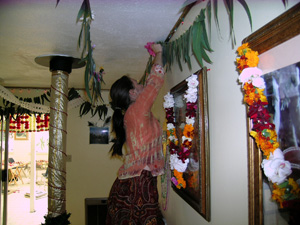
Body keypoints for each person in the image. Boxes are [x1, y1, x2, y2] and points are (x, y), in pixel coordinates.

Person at [106, 44, 165, 225]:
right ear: (132, 93)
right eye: (137, 84)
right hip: (140, 181)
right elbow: (154, 82)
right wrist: (159, 52)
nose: (142, 85)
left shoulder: (130, 113)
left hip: (135, 180)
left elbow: (148, 83)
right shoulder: (137, 109)